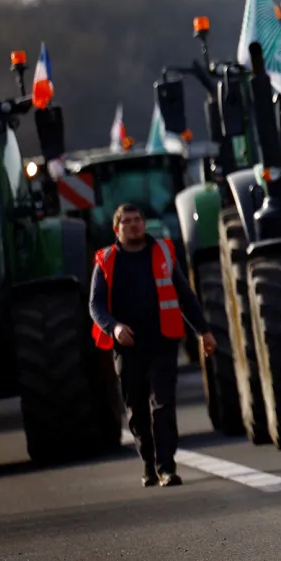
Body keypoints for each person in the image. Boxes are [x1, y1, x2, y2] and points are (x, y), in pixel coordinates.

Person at [88, 203, 215, 487]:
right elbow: (95, 305)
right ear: (116, 229)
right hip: (127, 347)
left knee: (163, 405)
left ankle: (167, 467)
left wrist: (203, 332)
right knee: (137, 409)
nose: (133, 225)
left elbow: (185, 295)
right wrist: (115, 327)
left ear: (144, 224)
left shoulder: (164, 254)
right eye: (127, 222)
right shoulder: (106, 261)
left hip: (162, 342)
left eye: (137, 220)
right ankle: (148, 463)